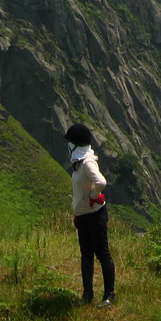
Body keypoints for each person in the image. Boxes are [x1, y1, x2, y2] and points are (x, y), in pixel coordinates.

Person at [63, 123, 116, 306]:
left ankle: (109, 295)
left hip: (94, 215)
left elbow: (101, 181)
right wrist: (78, 212)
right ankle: (87, 295)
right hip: (84, 216)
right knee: (86, 255)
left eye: (70, 142)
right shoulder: (79, 164)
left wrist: (93, 196)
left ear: (75, 145)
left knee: (102, 254)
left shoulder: (87, 162)